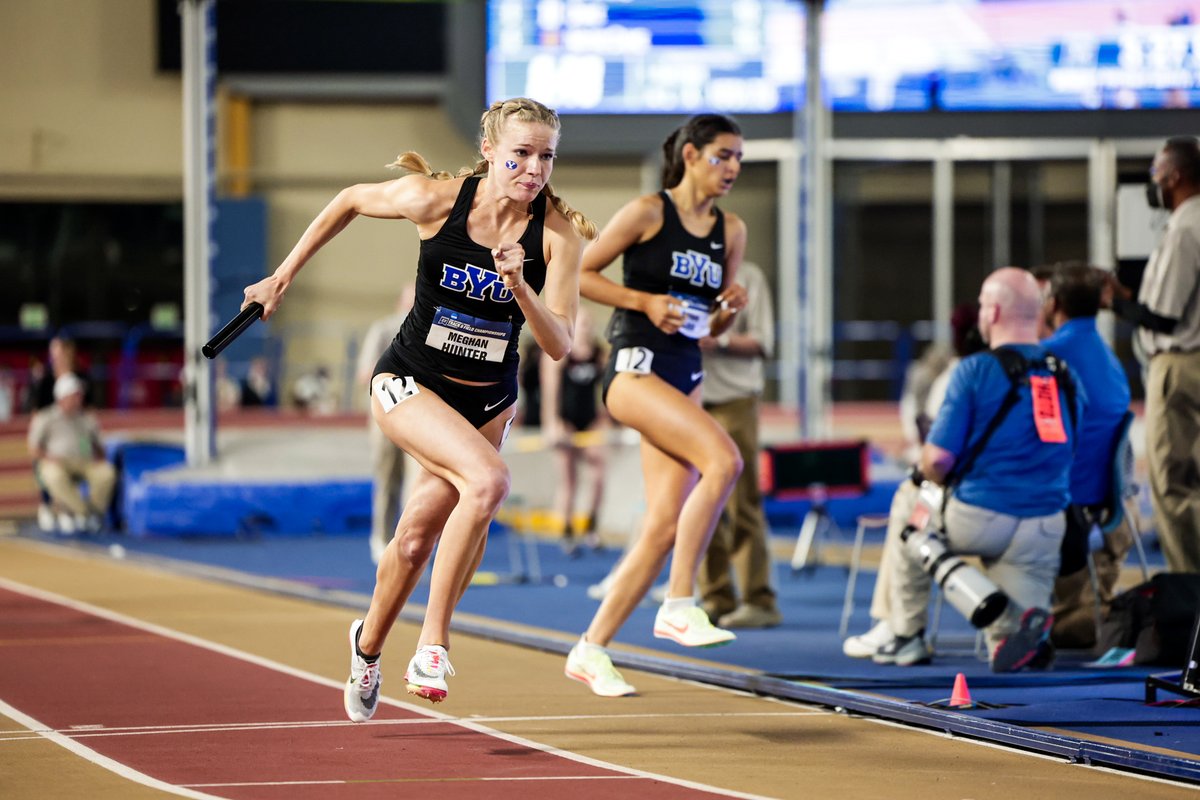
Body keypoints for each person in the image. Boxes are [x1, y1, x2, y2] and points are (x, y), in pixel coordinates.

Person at [240, 97, 594, 717]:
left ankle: (367, 647)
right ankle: (434, 644)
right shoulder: (436, 199)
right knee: (487, 483)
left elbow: (559, 344)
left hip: (487, 400)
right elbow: (349, 198)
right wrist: (282, 277)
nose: (534, 169)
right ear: (489, 152)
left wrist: (519, 288)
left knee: (410, 543)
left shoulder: (557, 237)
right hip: (411, 381)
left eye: (546, 156)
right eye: (520, 154)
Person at [565, 113, 749, 697]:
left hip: (685, 370)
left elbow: (710, 328)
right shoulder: (649, 211)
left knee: (664, 522)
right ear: (691, 155)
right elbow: (579, 275)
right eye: (723, 155)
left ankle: (590, 648)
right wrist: (643, 301)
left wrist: (729, 310)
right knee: (725, 461)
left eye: (739, 158)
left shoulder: (732, 230)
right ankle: (678, 602)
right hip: (635, 369)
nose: (733, 168)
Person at [853, 268, 1083, 673]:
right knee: (1011, 643)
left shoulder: (974, 371)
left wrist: (929, 473)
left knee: (911, 502)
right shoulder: (1064, 375)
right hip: (1045, 526)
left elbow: (938, 459)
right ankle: (1014, 629)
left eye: (981, 303)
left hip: (979, 515)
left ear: (992, 312)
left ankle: (906, 635)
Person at [843, 303, 983, 658]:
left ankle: (900, 626)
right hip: (1045, 510)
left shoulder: (961, 377)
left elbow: (937, 456)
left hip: (974, 506)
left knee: (910, 501)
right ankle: (893, 622)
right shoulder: (1049, 370)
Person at [1106, 136, 1200, 575]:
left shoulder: (1185, 226)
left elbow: (1163, 317)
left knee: (1172, 483)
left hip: (1181, 366)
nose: (1153, 183)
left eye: (1157, 173)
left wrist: (1115, 300)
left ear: (1176, 176)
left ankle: (1189, 587)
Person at [1040, 262, 1133, 649]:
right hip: (1108, 497)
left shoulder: (1046, 359)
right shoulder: (1111, 361)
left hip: (1065, 498)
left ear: (1054, 303)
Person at [695, 261, 780, 629]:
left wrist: (720, 340)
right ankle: (715, 596)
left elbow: (764, 342)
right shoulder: (680, 269)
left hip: (734, 400)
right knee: (700, 504)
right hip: (690, 399)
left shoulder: (749, 275)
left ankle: (758, 599)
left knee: (742, 500)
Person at [540, 305, 608, 554]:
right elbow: (551, 391)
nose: (585, 330)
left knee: (599, 472)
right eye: (581, 325)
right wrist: (552, 423)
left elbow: (608, 389)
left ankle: (592, 526)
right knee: (569, 479)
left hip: (590, 422)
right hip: (566, 420)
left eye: (589, 325)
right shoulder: (560, 353)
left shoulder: (599, 353)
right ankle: (567, 530)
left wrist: (606, 419)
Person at [355, 287, 416, 564]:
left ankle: (412, 540)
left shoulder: (430, 330)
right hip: (388, 412)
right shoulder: (383, 329)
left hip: (421, 418)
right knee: (387, 479)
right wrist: (405, 382)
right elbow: (366, 373)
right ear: (400, 302)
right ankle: (381, 539)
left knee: (417, 483)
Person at [27, 374, 116, 534]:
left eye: (80, 395)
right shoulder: (45, 417)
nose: (80, 398)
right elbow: (33, 448)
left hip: (84, 462)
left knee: (106, 473)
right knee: (54, 476)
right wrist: (47, 458)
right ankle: (80, 512)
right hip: (56, 462)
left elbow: (99, 446)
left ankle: (92, 513)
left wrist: (100, 458)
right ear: (63, 397)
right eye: (75, 395)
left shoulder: (87, 418)